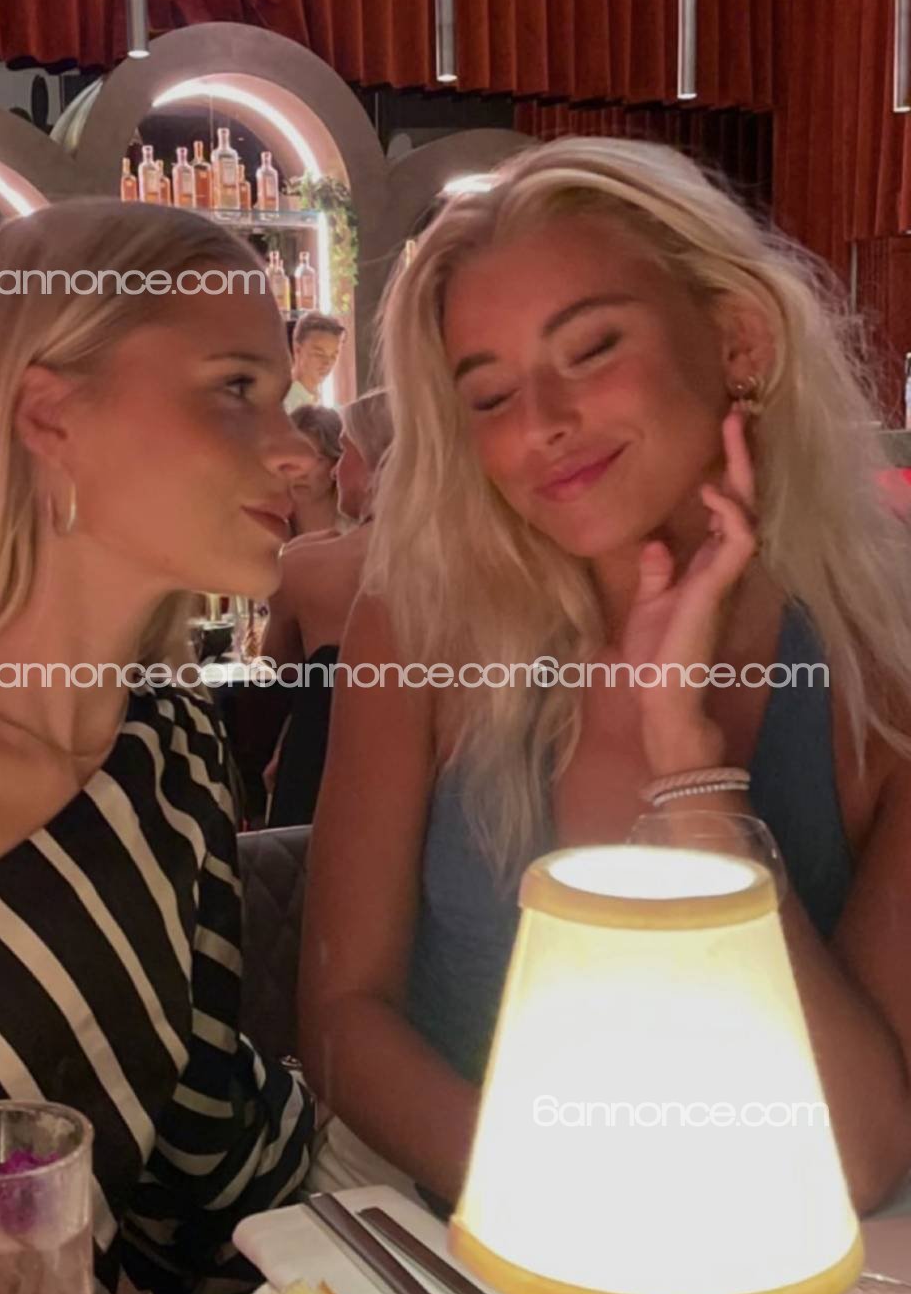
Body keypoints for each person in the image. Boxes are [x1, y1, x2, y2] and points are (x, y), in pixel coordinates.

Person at [300, 137, 911, 1217]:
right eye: (489, 395)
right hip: (462, 1239)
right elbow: (344, 1023)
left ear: (736, 338)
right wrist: (567, 1211)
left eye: (589, 349)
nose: (542, 423)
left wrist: (692, 777)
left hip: (782, 1250)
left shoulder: (882, 658)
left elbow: (857, 1157)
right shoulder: (417, 625)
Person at [0, 200, 316, 1294]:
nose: (296, 450)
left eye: (282, 397)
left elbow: (202, 1150)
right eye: (235, 387)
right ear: (49, 414)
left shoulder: (170, 741)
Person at [262, 390, 392, 825]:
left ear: (378, 466)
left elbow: (279, 674)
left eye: (346, 451)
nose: (337, 468)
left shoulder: (302, 565)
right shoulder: (477, 564)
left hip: (323, 779)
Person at [287, 402, 346, 536]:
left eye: (316, 460)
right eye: (293, 458)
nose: (300, 473)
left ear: (337, 464)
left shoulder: (360, 530)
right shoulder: (266, 529)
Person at [283, 312, 346, 413]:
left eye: (333, 356)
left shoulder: (319, 401)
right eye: (319, 354)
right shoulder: (285, 405)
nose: (327, 363)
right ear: (298, 350)